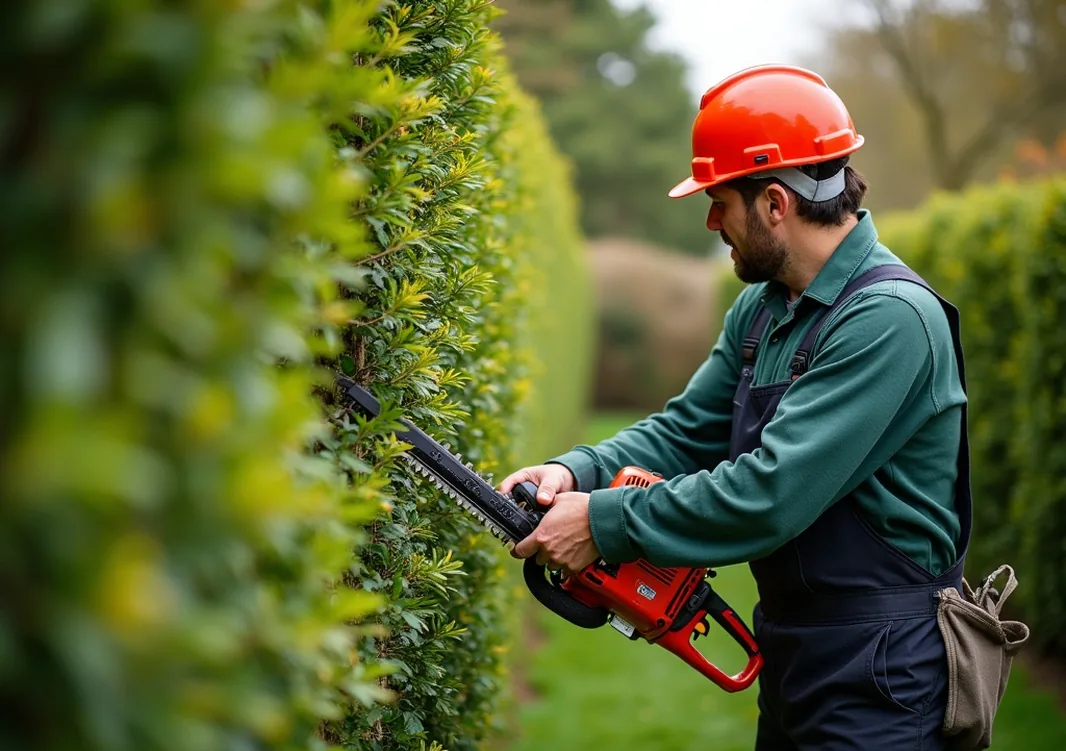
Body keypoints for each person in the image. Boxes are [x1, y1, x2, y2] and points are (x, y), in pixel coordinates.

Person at [500, 64, 971, 751]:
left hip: (885, 673)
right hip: (796, 649)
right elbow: (690, 429)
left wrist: (604, 522)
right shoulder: (764, 307)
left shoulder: (890, 320)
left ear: (776, 203)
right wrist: (576, 472)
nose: (711, 219)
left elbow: (771, 494)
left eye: (720, 199)